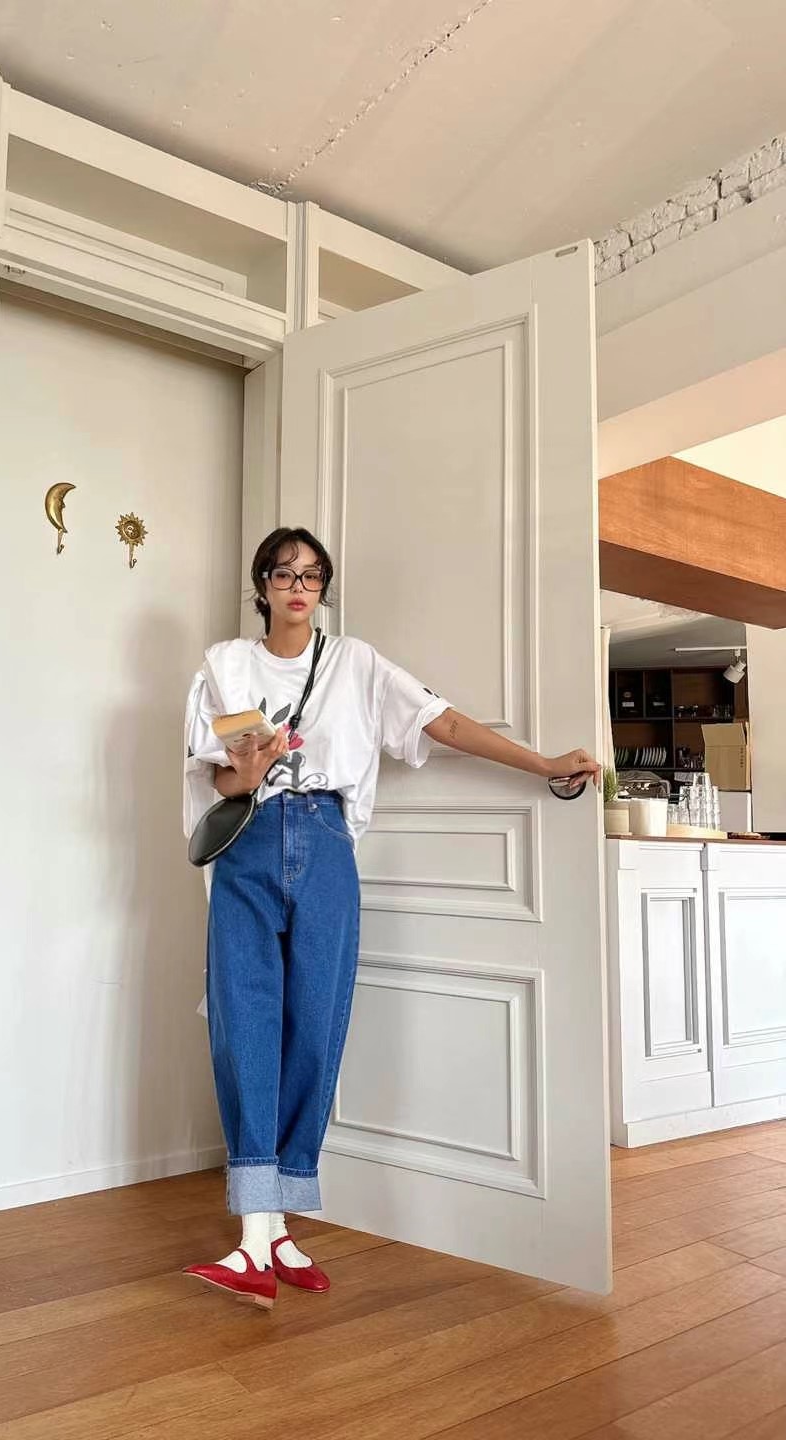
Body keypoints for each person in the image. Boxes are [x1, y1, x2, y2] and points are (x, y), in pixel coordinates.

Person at [181, 527, 600, 1309]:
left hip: (325, 842)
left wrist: (544, 764)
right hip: (248, 843)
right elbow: (216, 781)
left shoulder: (356, 663)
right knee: (245, 1026)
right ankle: (253, 1233)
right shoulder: (226, 666)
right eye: (283, 574)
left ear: (323, 588)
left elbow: (443, 722)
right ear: (262, 584)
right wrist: (248, 767)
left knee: (316, 1024)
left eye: (312, 576)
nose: (298, 587)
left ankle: (277, 1226)